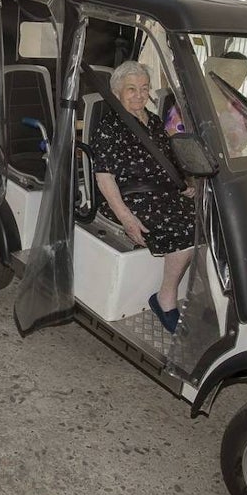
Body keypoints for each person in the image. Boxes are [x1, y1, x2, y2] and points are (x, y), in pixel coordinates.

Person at [91, 61, 196, 334]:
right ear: (116, 92)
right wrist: (126, 217)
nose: (139, 94)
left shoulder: (155, 121)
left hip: (163, 193)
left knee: (210, 220)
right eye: (131, 89)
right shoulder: (110, 126)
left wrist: (185, 183)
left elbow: (169, 159)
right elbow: (104, 178)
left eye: (144, 88)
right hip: (130, 197)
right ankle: (165, 298)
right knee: (188, 229)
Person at [204, 51, 247, 155]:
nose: (232, 81)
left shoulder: (243, 108)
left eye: (239, 77)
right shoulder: (193, 101)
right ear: (215, 71)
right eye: (227, 73)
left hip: (235, 167)